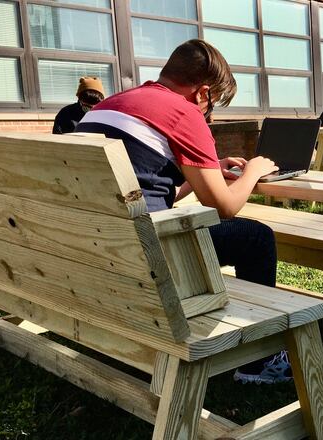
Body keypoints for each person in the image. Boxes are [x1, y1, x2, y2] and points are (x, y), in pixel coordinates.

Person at [76, 39, 289, 384]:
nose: (209, 111)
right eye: (213, 103)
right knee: (256, 237)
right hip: (151, 253)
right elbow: (224, 207)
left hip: (99, 243)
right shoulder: (185, 112)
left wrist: (205, 170)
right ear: (203, 93)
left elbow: (148, 190)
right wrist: (253, 171)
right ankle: (259, 362)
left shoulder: (110, 105)